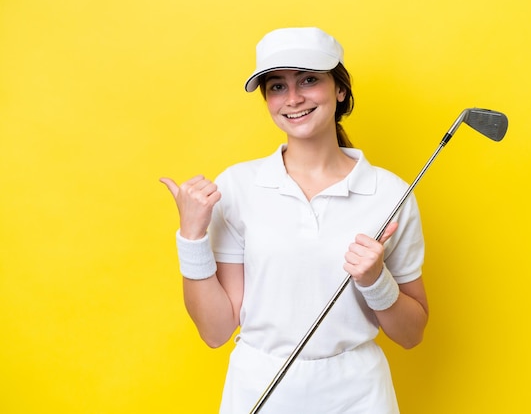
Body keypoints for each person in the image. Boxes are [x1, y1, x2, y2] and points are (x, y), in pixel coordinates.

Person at [160, 27, 429, 414]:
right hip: (259, 386)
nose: (294, 98)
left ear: (339, 89)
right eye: (276, 86)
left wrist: (375, 282)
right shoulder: (237, 186)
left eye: (308, 79)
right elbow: (215, 331)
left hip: (357, 393)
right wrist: (192, 236)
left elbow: (412, 334)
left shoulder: (390, 194)